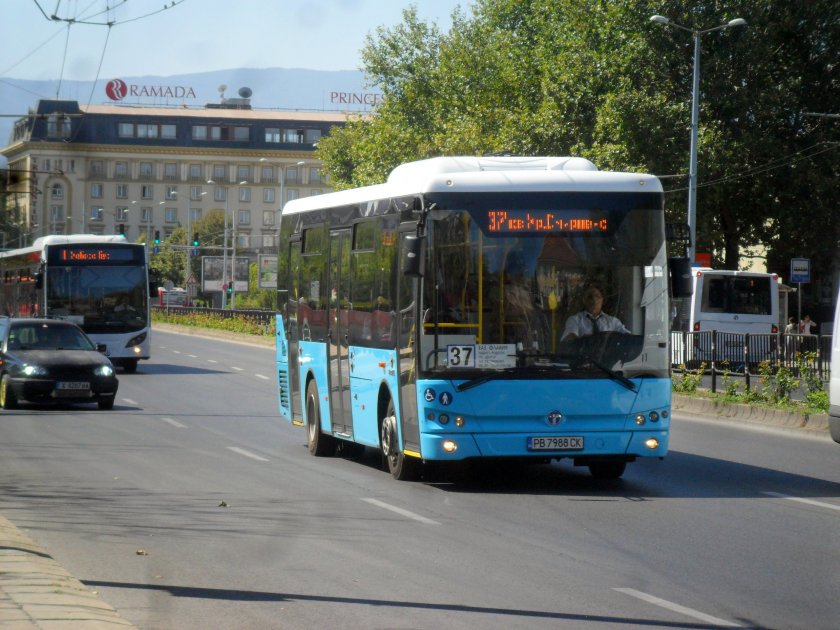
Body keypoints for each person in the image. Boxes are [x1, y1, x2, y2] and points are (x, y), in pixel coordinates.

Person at [562, 286, 629, 341]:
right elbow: (568, 340)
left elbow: (628, 337)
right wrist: (582, 339)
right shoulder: (575, 320)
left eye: (597, 296)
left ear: (603, 300)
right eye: (590, 297)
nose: (594, 300)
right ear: (584, 300)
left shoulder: (613, 322)